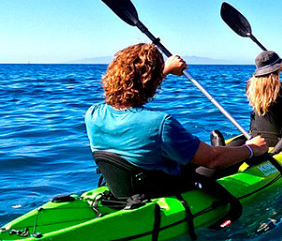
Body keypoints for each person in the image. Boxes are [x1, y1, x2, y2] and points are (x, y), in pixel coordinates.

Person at [85, 43, 268, 194]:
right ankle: (241, 150)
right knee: (238, 146)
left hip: (127, 187)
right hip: (166, 188)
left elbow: (126, 95)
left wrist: (162, 71)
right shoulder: (160, 124)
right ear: (151, 80)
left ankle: (218, 147)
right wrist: (252, 149)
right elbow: (213, 161)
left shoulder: (93, 114)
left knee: (225, 149)